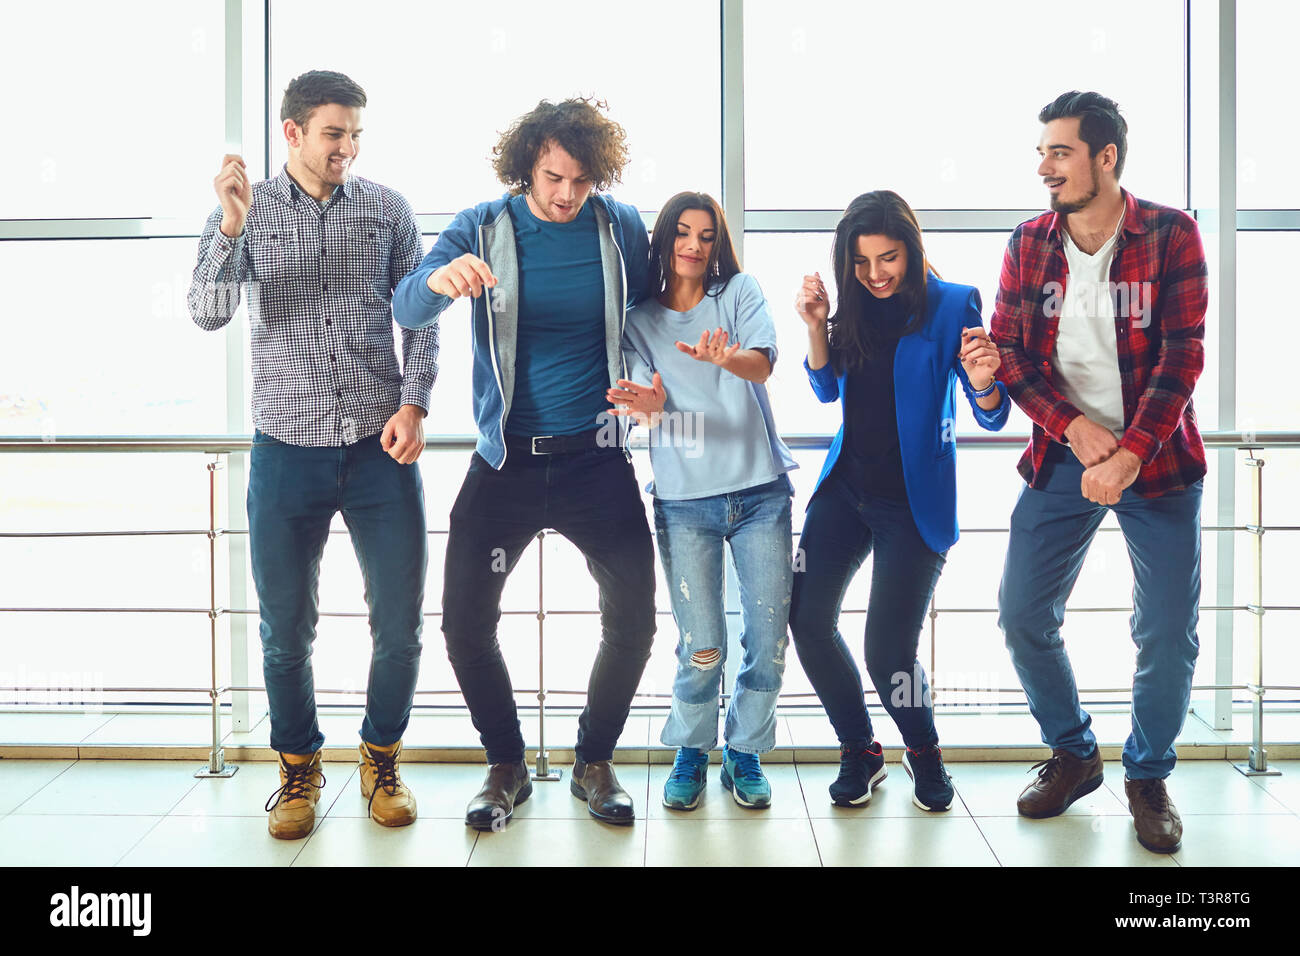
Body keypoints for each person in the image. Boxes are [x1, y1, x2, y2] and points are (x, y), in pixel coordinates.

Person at [392, 97, 654, 828]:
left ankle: (593, 761)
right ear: (525, 169)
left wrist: (669, 390)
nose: (566, 194)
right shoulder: (483, 225)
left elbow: (666, 305)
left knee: (633, 618)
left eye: (580, 179)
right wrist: (439, 284)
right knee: (464, 623)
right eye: (551, 177)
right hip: (506, 461)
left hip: (597, 461)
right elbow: (407, 306)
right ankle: (505, 765)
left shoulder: (620, 227)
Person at [188, 70, 435, 840]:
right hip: (283, 454)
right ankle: (298, 770)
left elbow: (421, 316)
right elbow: (205, 311)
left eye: (356, 133)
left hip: (378, 450)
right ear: (292, 133)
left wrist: (416, 400)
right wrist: (231, 229)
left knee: (398, 623)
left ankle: (381, 758)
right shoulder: (247, 211)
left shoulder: (388, 209)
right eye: (335, 133)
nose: (349, 148)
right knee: (284, 628)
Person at [992, 91, 1208, 854]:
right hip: (1062, 454)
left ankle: (1147, 777)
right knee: (1021, 614)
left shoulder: (1171, 233)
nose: (1045, 167)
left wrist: (1129, 452)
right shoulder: (1029, 244)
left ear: (1105, 157)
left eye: (1061, 152)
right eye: (1043, 151)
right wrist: (1078, 430)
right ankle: (1075, 754)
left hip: (1160, 461)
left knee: (1166, 632)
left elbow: (1184, 355)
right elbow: (1011, 354)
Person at [789, 190, 1009, 812]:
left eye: (888, 258)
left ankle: (924, 751)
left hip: (913, 503)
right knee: (805, 620)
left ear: (911, 250)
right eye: (861, 263)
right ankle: (859, 749)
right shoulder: (853, 301)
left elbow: (990, 415)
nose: (877, 274)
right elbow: (827, 388)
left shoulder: (952, 304)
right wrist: (814, 327)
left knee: (888, 652)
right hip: (846, 490)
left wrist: (987, 381)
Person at [608, 192, 797, 811]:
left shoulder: (737, 294)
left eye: (706, 235)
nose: (694, 245)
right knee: (703, 640)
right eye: (682, 233)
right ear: (663, 242)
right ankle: (691, 747)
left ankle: (744, 751)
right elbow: (641, 401)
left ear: (717, 244)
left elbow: (763, 366)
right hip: (685, 501)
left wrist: (726, 357)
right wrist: (652, 407)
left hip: (759, 494)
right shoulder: (637, 318)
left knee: (766, 637)